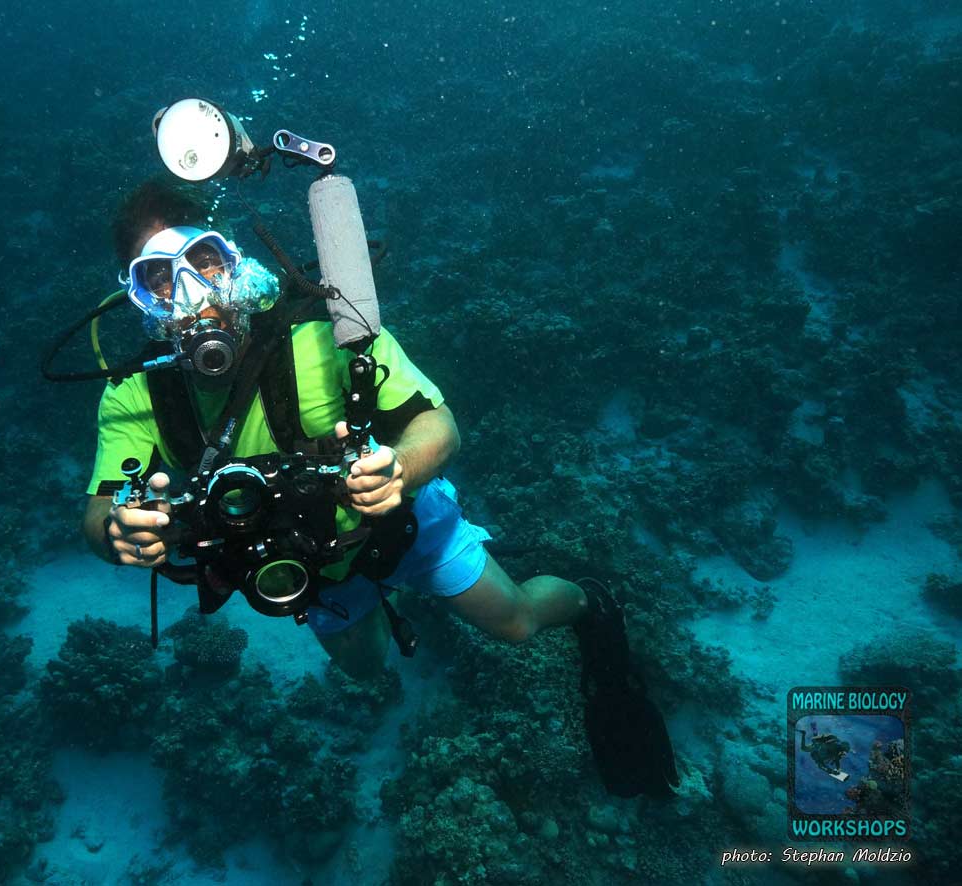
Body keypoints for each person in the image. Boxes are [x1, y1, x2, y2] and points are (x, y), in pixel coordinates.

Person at [79, 178, 679, 797]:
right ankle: (425, 586)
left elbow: (437, 423)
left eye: (203, 262)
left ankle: (589, 598)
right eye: (158, 278)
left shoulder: (325, 331)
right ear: (137, 301)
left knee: (518, 623)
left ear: (231, 262)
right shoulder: (133, 394)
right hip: (307, 569)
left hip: (407, 524)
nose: (191, 296)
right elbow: (100, 507)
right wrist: (117, 530)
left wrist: (400, 467)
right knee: (366, 671)